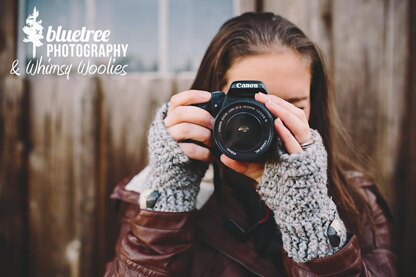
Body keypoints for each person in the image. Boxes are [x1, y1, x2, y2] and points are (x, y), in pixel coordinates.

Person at [105, 12, 396, 276]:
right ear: (211, 104)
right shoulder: (151, 194)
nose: (268, 122)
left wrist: (310, 217)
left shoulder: (358, 201)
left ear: (313, 105)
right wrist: (168, 201)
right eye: (249, 107)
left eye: (291, 107)